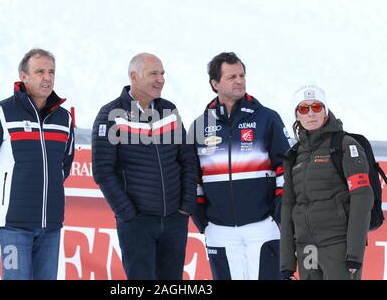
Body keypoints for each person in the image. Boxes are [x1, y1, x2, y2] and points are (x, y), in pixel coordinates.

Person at [0, 48, 75, 280]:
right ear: (23, 76)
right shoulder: (0, 112)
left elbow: (63, 166)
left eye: (51, 72)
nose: (47, 77)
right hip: (14, 227)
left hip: (51, 226)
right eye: (39, 71)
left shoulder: (64, 118)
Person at [91, 52, 197, 280]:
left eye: (162, 73)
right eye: (153, 74)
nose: (161, 79)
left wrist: (186, 206)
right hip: (137, 223)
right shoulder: (110, 115)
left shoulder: (169, 109)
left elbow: (187, 158)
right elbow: (102, 170)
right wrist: (128, 214)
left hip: (174, 220)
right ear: (134, 76)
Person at [190, 52, 290, 280]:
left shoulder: (267, 118)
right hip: (219, 230)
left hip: (263, 227)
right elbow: (192, 179)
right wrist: (204, 222)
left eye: (242, 75)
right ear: (215, 84)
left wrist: (278, 215)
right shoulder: (200, 126)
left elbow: (285, 168)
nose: (239, 81)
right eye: (231, 76)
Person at [280, 85, 374, 280]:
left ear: (326, 111)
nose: (311, 113)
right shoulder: (294, 155)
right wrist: (287, 265)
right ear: (297, 115)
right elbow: (288, 207)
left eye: (316, 107)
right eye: (304, 109)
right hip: (307, 249)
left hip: (338, 247)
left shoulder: (345, 145)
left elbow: (362, 197)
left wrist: (355, 254)